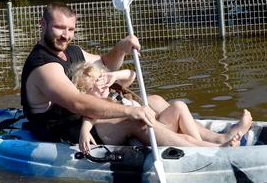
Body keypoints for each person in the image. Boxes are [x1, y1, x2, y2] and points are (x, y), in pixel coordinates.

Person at [21, 2, 251, 149]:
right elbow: (78, 102)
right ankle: (213, 151)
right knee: (136, 120)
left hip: (87, 116)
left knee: (155, 101)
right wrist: (129, 110)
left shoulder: (72, 51)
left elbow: (106, 64)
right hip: (67, 130)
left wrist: (121, 47)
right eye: (59, 28)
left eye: (71, 29)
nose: (66, 35)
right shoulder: (43, 66)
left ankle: (218, 138)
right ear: (42, 24)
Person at [71, 61, 245, 153]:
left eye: (100, 80)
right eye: (93, 86)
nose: (100, 86)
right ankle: (214, 149)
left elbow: (132, 74)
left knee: (178, 105)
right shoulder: (92, 105)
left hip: (154, 126)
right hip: (140, 131)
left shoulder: (111, 92)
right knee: (146, 120)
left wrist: (112, 75)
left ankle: (200, 146)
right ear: (84, 92)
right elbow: (89, 116)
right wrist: (85, 131)